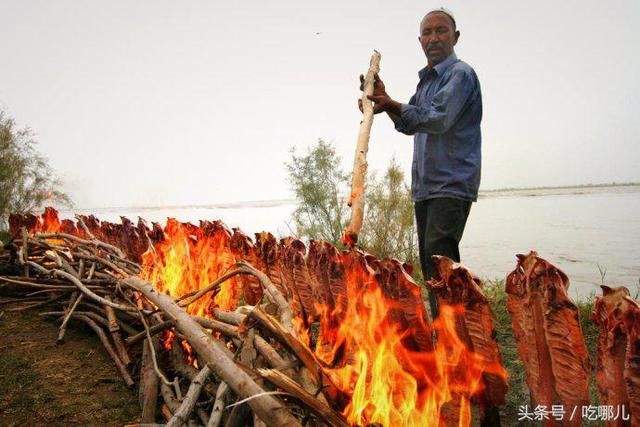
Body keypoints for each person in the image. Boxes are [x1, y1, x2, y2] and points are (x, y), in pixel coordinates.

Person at [359, 7, 482, 319]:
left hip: (451, 184)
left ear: (455, 37)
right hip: (426, 187)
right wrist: (384, 100)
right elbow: (409, 123)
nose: (434, 38)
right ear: (419, 41)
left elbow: (439, 120)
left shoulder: (460, 75)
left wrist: (392, 103)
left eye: (441, 31)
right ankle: (445, 330)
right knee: (431, 263)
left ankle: (457, 337)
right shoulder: (426, 83)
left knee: (442, 262)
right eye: (427, 33)